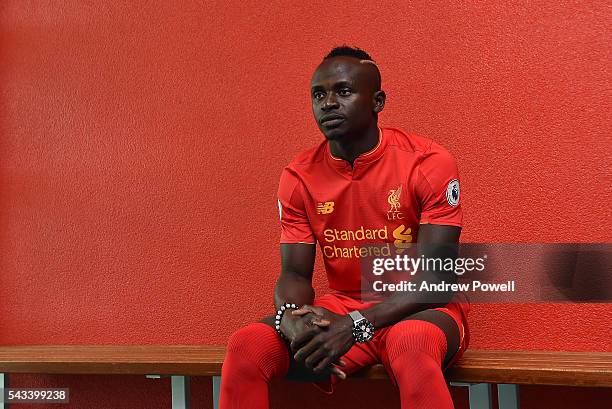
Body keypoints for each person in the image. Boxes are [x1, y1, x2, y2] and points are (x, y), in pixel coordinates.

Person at [219, 46, 470, 409]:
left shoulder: (428, 162)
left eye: (344, 91)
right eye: (319, 94)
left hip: (418, 308)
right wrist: (290, 316)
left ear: (377, 101)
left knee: (412, 344)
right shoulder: (299, 176)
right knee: (247, 347)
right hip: (342, 307)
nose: (329, 103)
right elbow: (293, 274)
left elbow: (435, 282)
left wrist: (354, 325)